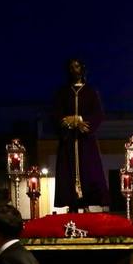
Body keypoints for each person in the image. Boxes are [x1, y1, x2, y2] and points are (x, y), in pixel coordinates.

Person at [52, 58, 110, 212]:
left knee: (89, 170)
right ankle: (72, 204)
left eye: (76, 66)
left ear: (82, 69)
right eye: (71, 67)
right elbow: (56, 114)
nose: (74, 69)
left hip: (86, 141)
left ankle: (86, 203)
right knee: (68, 172)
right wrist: (69, 121)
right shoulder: (63, 93)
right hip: (68, 141)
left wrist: (81, 120)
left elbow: (98, 114)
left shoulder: (91, 92)